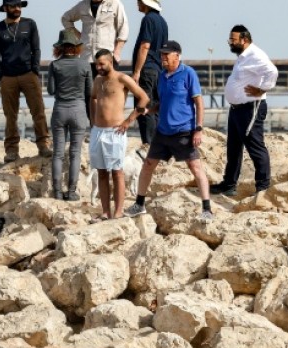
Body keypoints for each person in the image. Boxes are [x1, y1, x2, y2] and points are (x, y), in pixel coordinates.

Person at [126, 41, 213, 221]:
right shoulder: (161, 76)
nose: (163, 58)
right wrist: (149, 110)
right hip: (162, 132)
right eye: (162, 54)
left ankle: (206, 208)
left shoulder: (188, 73)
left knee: (195, 166)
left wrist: (198, 128)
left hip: (184, 131)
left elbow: (199, 102)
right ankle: (139, 204)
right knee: (148, 164)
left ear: (177, 56)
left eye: (167, 54)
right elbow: (162, 104)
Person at [210, 25, 279, 197]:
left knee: (255, 147)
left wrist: (262, 89)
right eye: (230, 40)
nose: (230, 43)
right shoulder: (242, 57)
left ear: (244, 40)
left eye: (233, 40)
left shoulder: (256, 55)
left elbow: (272, 71)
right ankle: (229, 184)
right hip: (236, 109)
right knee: (233, 148)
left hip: (250, 107)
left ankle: (263, 188)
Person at [89, 49, 149, 221]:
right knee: (101, 172)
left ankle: (118, 212)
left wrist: (128, 121)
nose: (98, 67)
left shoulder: (122, 78)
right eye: (96, 64)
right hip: (97, 132)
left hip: (115, 131)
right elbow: (92, 98)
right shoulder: (97, 79)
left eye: (102, 64)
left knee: (117, 172)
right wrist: (93, 120)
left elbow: (143, 98)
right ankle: (105, 212)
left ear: (110, 62)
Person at [0, 0, 51, 163]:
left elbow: (36, 49)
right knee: (10, 115)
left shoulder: (30, 24)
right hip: (8, 77)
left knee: (38, 111)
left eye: (19, 5)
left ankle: (44, 145)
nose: (17, 9)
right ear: (5, 8)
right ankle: (11, 151)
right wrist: (0, 76)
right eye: (13, 6)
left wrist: (35, 70)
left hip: (28, 75)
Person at [48, 28, 92, 201]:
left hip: (60, 109)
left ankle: (57, 191)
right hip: (78, 110)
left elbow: (51, 90)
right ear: (76, 47)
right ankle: (72, 191)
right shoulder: (84, 65)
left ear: (60, 47)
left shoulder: (55, 65)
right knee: (75, 153)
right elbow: (90, 91)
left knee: (58, 153)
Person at [130, 0, 167, 157]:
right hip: (158, 69)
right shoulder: (162, 22)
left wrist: (137, 71)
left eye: (139, 1)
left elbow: (145, 45)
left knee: (143, 104)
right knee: (156, 108)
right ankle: (157, 144)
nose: (137, 4)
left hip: (148, 68)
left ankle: (148, 144)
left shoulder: (148, 19)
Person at [61, 0, 129, 78]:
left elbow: (123, 28)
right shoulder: (82, 5)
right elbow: (65, 18)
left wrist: (117, 52)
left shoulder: (115, 3)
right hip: (86, 57)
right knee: (89, 88)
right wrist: (80, 36)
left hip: (107, 56)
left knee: (107, 87)